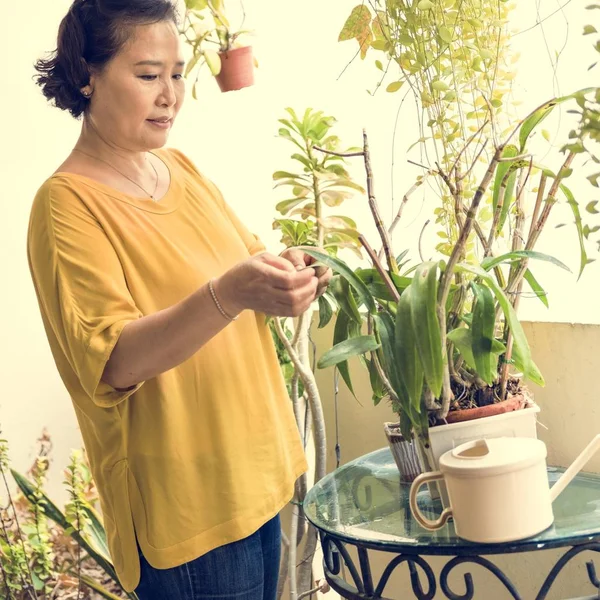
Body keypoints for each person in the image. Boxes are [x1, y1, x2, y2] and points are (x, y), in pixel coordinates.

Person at [27, 1, 331, 598]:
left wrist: (286, 273)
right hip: (191, 516)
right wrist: (229, 291)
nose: (170, 94)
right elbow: (114, 360)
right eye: (147, 75)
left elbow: (249, 266)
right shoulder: (66, 205)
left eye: (176, 73)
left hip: (259, 479)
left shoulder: (182, 171)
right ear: (88, 74)